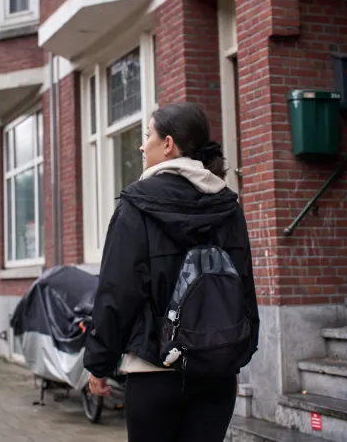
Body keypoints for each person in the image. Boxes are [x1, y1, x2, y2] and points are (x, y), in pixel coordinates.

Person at [83, 102, 260, 442]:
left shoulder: (136, 205)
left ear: (167, 144)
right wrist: (235, 357)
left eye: (146, 135)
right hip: (216, 374)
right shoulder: (227, 205)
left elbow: (117, 293)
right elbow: (244, 288)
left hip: (154, 372)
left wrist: (98, 363)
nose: (141, 144)